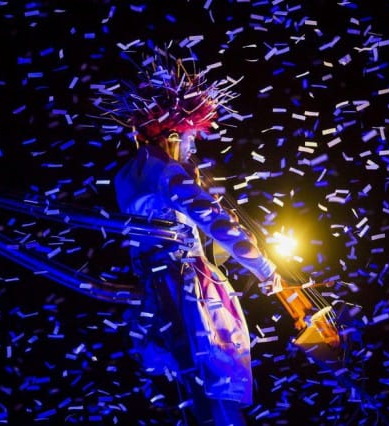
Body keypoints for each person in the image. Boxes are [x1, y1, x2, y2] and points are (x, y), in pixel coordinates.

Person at [104, 46, 284, 425]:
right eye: (188, 140)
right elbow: (214, 222)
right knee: (214, 386)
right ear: (172, 134)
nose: (191, 149)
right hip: (188, 289)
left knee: (191, 390)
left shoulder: (125, 175)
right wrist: (264, 267)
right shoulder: (165, 171)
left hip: (153, 290)